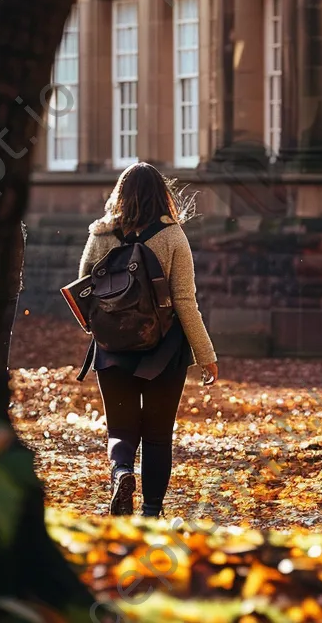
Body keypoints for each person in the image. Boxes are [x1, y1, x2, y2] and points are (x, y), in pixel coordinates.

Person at [76, 162, 218, 518]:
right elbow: (185, 301)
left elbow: (83, 289)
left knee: (121, 430)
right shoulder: (172, 237)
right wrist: (206, 355)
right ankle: (151, 513)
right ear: (163, 195)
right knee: (157, 435)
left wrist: (100, 329)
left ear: (120, 195)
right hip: (164, 351)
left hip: (112, 352)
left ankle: (122, 472)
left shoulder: (100, 235)